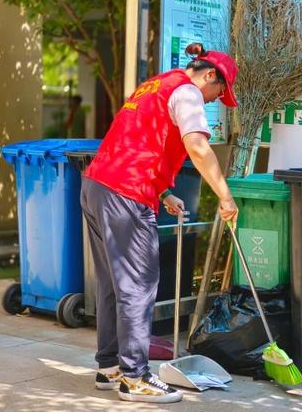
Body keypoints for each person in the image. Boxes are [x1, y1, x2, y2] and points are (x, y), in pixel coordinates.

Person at [80, 42, 240, 403]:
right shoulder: (188, 93)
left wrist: (165, 190)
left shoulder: (157, 84)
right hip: (125, 192)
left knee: (110, 285)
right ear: (210, 75)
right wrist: (225, 196)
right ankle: (135, 378)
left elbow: (140, 139)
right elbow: (197, 146)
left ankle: (109, 367)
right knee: (138, 286)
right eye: (220, 92)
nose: (216, 100)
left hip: (97, 184)